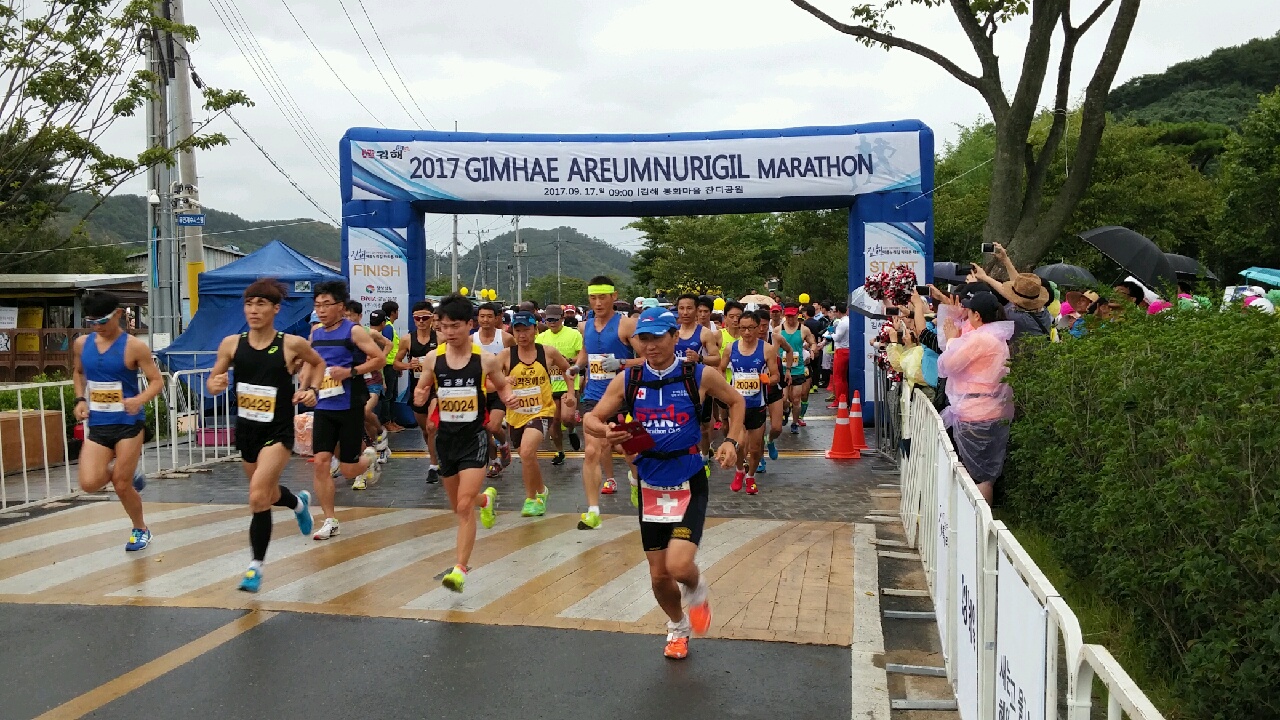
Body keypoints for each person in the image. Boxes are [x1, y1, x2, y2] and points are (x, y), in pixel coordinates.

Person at [584, 306, 746, 660]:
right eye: (644, 338)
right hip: (650, 482)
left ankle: (697, 590)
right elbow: (591, 418)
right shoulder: (629, 379)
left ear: (674, 336)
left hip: (688, 477)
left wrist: (731, 441)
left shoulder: (697, 374)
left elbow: (736, 401)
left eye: (658, 337)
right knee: (659, 576)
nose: (651, 345)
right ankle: (677, 627)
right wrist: (606, 430)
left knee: (679, 566)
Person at [206, 279, 325, 591]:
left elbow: (318, 363)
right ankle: (298, 503)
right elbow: (214, 379)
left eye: (261, 304)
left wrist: (312, 390)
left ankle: (254, 568)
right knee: (267, 494)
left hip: (278, 431)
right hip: (247, 431)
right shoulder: (231, 344)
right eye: (249, 304)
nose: (253, 310)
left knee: (258, 495)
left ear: (276, 309)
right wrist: (215, 384)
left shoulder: (291, 344)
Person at [412, 294, 518, 592]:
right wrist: (421, 396)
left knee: (463, 504)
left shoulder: (484, 359)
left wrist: (509, 397)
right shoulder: (433, 359)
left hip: (475, 439)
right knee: (459, 506)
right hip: (446, 441)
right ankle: (486, 500)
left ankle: (459, 568)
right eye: (444, 326)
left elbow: (501, 386)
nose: (449, 332)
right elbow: (422, 389)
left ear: (469, 325)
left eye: (455, 326)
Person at [72, 290, 164, 551]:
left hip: (128, 423)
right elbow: (78, 373)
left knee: (121, 485)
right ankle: (129, 472)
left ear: (119, 314)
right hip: (99, 424)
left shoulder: (134, 346)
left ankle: (140, 529)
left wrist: (139, 400)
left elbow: (157, 381)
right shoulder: (82, 344)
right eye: (92, 322)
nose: (98, 327)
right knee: (89, 483)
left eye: (103, 320)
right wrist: (80, 400)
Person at [306, 281, 385, 539]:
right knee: (321, 462)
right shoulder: (316, 334)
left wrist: (351, 372)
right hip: (323, 405)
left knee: (349, 469)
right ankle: (330, 519)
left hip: (349, 404)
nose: (321, 310)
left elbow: (379, 358)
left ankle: (369, 457)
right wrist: (305, 388)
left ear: (340, 306)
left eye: (326, 305)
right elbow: (310, 363)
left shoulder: (354, 331)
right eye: (317, 305)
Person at [574, 276, 643, 529]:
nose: (597, 303)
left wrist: (622, 363)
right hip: (594, 397)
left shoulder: (626, 325)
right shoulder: (585, 326)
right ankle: (593, 510)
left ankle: (636, 482)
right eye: (593, 298)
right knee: (592, 451)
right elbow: (586, 352)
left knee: (633, 451)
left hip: (624, 397)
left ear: (614, 296)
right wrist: (576, 367)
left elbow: (648, 358)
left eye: (602, 297)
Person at [936, 291, 1014, 503]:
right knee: (985, 475)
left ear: (977, 315)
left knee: (978, 477)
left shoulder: (981, 339)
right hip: (991, 409)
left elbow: (949, 365)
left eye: (969, 312)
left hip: (976, 413)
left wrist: (952, 340)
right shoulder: (995, 336)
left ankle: (979, 518)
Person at [504, 311, 577, 516]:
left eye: (526, 330)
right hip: (516, 415)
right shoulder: (505, 356)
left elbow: (568, 370)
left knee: (528, 452)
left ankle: (531, 499)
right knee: (526, 457)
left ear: (535, 330)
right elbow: (490, 382)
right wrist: (504, 384)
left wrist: (571, 393)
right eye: (518, 331)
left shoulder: (547, 352)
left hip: (542, 411)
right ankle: (541, 490)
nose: (522, 335)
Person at [725, 310, 780, 495]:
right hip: (737, 406)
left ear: (758, 328)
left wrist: (765, 379)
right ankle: (740, 470)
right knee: (739, 443)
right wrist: (724, 388)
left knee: (755, 449)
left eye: (750, 328)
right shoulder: (730, 348)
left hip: (757, 405)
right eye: (743, 328)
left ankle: (750, 476)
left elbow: (776, 376)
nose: (747, 332)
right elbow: (720, 369)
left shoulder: (767, 349)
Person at [397, 300, 441, 483]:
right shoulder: (407, 339)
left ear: (432, 318)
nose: (421, 321)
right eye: (417, 318)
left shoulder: (440, 338)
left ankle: (433, 466)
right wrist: (408, 365)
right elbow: (395, 363)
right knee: (425, 430)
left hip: (436, 389)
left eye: (425, 318)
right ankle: (436, 454)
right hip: (418, 390)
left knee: (432, 427)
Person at [674, 293, 722, 461]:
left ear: (695, 310)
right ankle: (685, 456)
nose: (685, 312)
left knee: (703, 426)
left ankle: (705, 454)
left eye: (689, 308)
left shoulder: (705, 333)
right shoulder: (672, 333)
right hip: (676, 385)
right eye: (681, 308)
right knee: (681, 422)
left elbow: (716, 358)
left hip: (699, 385)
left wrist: (699, 358)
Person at [536, 304, 585, 465]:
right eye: (549, 320)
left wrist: (568, 360)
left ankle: (571, 430)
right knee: (554, 421)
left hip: (568, 382)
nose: (552, 323)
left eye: (555, 320)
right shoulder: (541, 338)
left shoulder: (573, 334)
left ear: (562, 319)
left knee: (567, 418)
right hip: (549, 385)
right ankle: (559, 451)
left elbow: (582, 356)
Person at [475, 302, 513, 478]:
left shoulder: (505, 338)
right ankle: (495, 461)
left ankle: (504, 445)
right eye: (482, 316)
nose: (485, 320)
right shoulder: (471, 340)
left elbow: (514, 359)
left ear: (497, 318)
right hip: (480, 392)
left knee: (494, 426)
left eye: (489, 316)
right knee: (484, 430)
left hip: (499, 391)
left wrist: (510, 380)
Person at [778, 303, 816, 433]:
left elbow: (812, 342)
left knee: (796, 398)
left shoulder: (803, 329)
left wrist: (812, 350)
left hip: (798, 368)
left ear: (797, 315)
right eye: (788, 316)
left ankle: (794, 423)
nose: (790, 319)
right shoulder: (778, 329)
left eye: (792, 316)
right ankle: (785, 410)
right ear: (785, 315)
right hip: (783, 368)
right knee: (784, 399)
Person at [380, 300, 404, 432]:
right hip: (388, 366)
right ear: (393, 312)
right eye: (397, 310)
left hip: (393, 366)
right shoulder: (388, 327)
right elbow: (386, 346)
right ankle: (386, 422)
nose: (398, 313)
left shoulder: (390, 326)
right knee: (388, 395)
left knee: (393, 395)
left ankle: (392, 421)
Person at [828, 302, 851, 408]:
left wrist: (831, 333)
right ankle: (843, 399)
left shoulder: (842, 323)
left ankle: (839, 400)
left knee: (838, 377)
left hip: (841, 350)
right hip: (847, 350)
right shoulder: (849, 321)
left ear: (838, 312)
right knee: (843, 378)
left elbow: (837, 338)